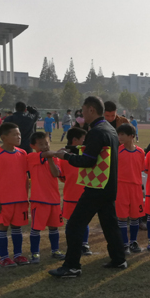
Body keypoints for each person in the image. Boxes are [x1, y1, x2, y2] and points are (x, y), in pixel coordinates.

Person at [45, 96, 127, 277]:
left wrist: (63, 156)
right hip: (108, 186)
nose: (81, 114)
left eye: (83, 109)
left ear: (91, 110)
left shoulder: (96, 131)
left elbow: (88, 161)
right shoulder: (109, 129)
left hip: (97, 187)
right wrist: (70, 150)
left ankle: (72, 266)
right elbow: (94, 152)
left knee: (74, 225)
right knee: (109, 224)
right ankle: (119, 259)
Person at [0, 122, 30, 267]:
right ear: (4, 137)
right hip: (4, 200)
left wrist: (26, 195)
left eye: (19, 133)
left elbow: (25, 177)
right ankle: (4, 257)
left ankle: (18, 255)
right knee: (2, 227)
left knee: (17, 227)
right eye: (15, 134)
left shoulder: (22, 153)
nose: (18, 136)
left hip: (20, 199)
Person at [27, 132, 65, 263]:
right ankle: (35, 253)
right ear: (33, 146)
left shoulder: (54, 159)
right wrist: (56, 153)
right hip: (39, 199)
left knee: (54, 227)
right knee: (36, 228)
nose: (45, 146)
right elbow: (45, 154)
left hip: (54, 199)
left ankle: (55, 250)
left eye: (47, 143)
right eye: (41, 144)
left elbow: (55, 174)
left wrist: (52, 157)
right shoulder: (32, 156)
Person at [60, 127, 92, 256]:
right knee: (71, 222)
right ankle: (72, 245)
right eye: (83, 139)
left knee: (84, 221)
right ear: (75, 140)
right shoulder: (63, 156)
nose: (86, 142)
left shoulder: (87, 154)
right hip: (70, 195)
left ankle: (84, 244)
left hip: (85, 194)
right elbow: (62, 176)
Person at [116, 124, 146, 254]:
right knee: (122, 217)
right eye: (119, 134)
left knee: (135, 217)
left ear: (132, 136)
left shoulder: (140, 152)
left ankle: (133, 242)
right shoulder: (118, 150)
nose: (120, 137)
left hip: (135, 187)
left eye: (123, 134)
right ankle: (124, 244)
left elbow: (140, 169)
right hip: (121, 187)